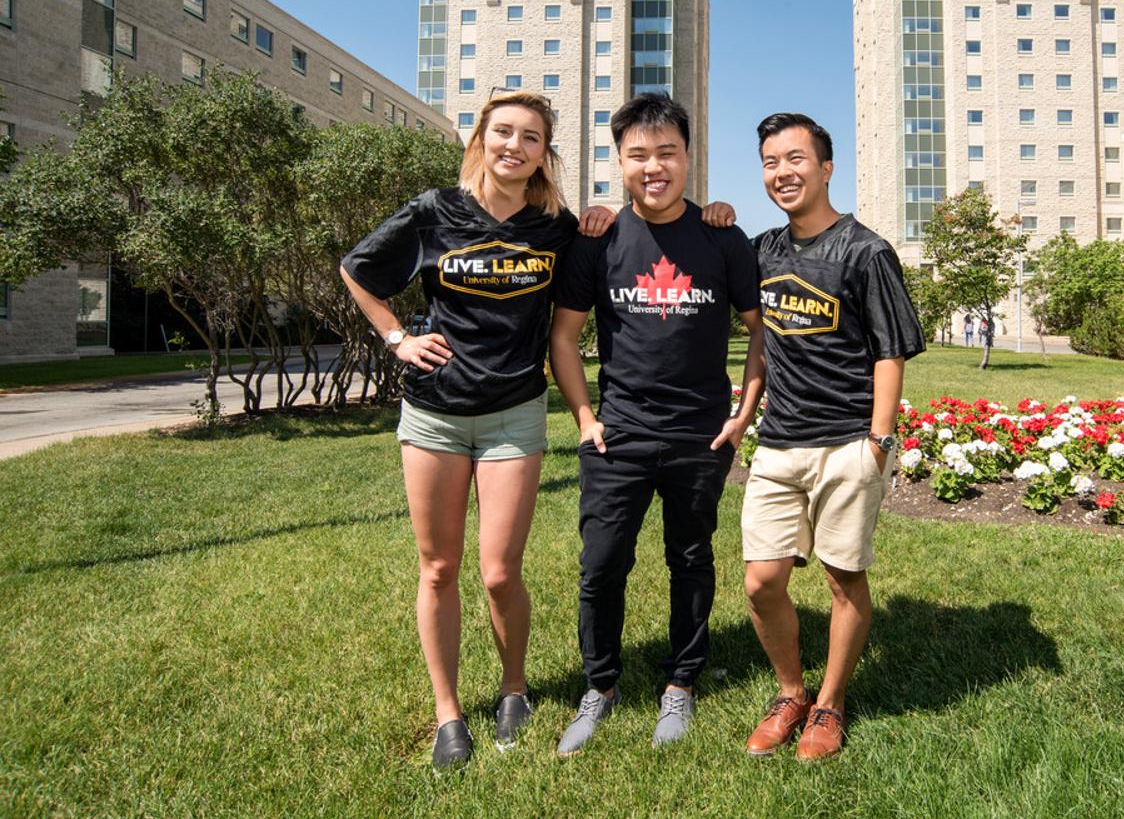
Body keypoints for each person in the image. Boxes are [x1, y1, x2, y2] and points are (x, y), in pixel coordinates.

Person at [340, 92, 613, 771]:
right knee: (438, 566)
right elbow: (357, 268)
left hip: (513, 413)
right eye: (503, 132)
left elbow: (600, 270)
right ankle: (448, 712)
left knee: (498, 571)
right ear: (481, 140)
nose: (514, 146)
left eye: (530, 137)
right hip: (434, 412)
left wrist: (607, 219)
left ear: (543, 153)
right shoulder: (435, 211)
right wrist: (397, 336)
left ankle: (514, 686)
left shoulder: (554, 226)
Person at [548, 92, 766, 755]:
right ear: (619, 161)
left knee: (691, 559)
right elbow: (563, 338)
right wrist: (585, 416)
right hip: (618, 434)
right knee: (601, 565)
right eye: (638, 154)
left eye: (666, 152)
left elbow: (761, 334)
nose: (654, 166)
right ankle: (601, 686)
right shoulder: (599, 238)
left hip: (701, 435)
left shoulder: (724, 237)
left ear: (688, 156)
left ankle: (681, 683)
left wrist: (742, 414)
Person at [710, 112, 924, 761]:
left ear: (826, 167)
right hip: (779, 442)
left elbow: (891, 350)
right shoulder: (762, 250)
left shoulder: (866, 250)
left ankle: (829, 703)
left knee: (841, 578)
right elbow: (759, 338)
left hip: (846, 443)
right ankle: (790, 690)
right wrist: (712, 216)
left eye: (795, 159)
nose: (782, 172)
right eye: (771, 162)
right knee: (761, 581)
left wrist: (878, 443)